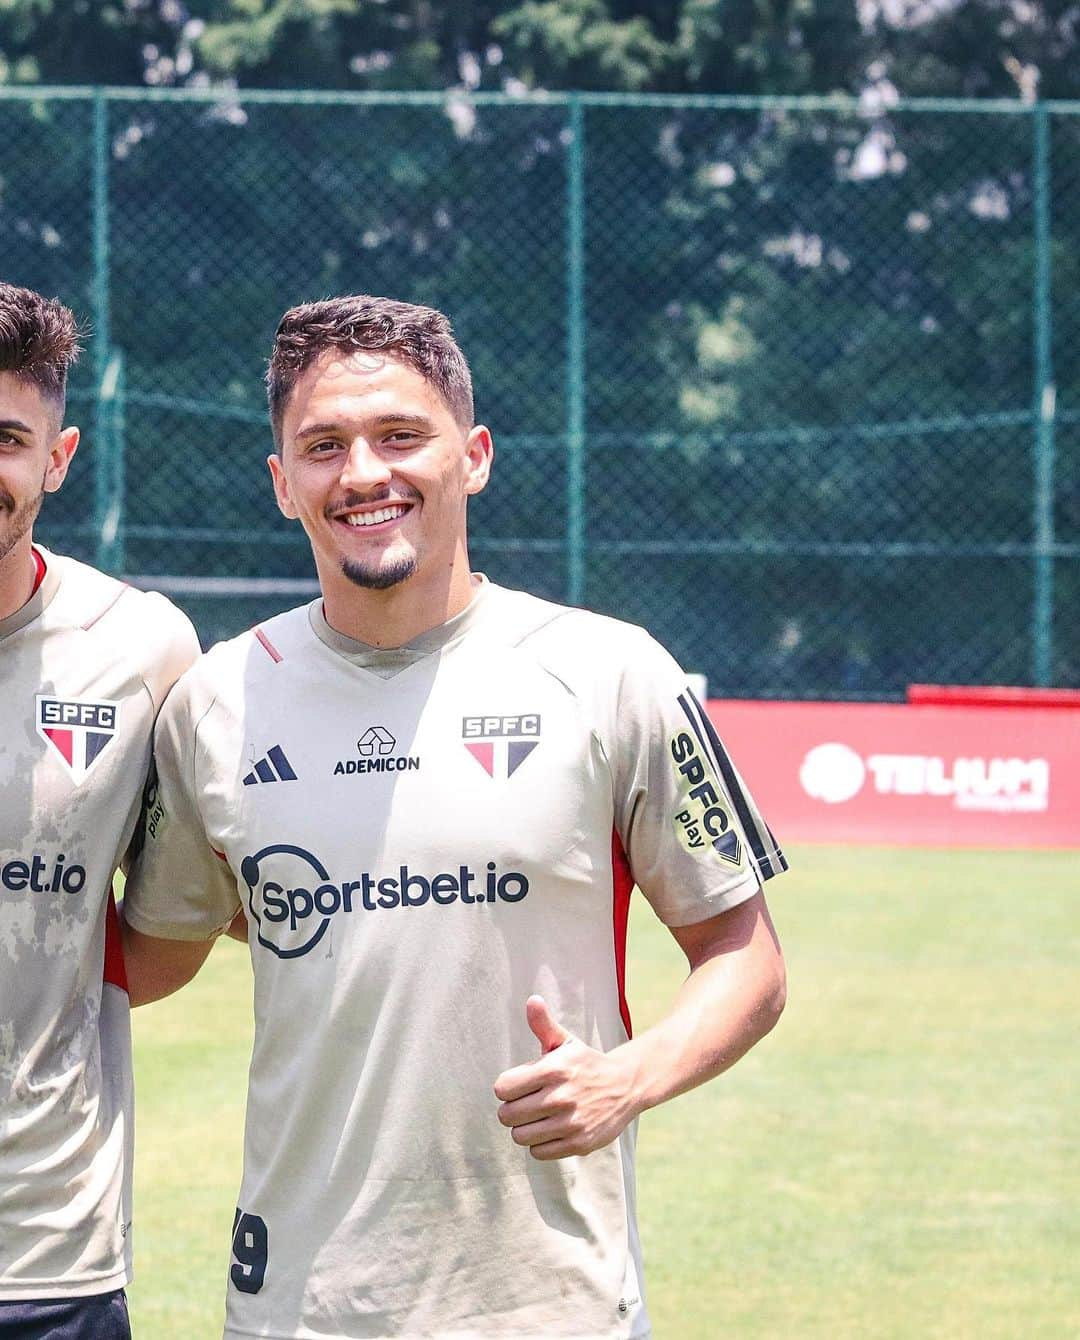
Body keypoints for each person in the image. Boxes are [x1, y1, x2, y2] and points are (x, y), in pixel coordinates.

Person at [121, 295, 788, 1340]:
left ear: (472, 454)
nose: (364, 474)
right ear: (281, 480)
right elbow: (144, 953)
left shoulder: (610, 672)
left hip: (551, 1301)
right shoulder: (214, 701)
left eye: (401, 436)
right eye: (324, 445)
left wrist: (624, 1078)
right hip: (300, 1302)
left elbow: (744, 952)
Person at [0, 282, 200, 1338]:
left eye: (5, 437)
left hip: (50, 1257)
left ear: (58, 457)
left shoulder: (145, 647)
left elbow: (173, 929)